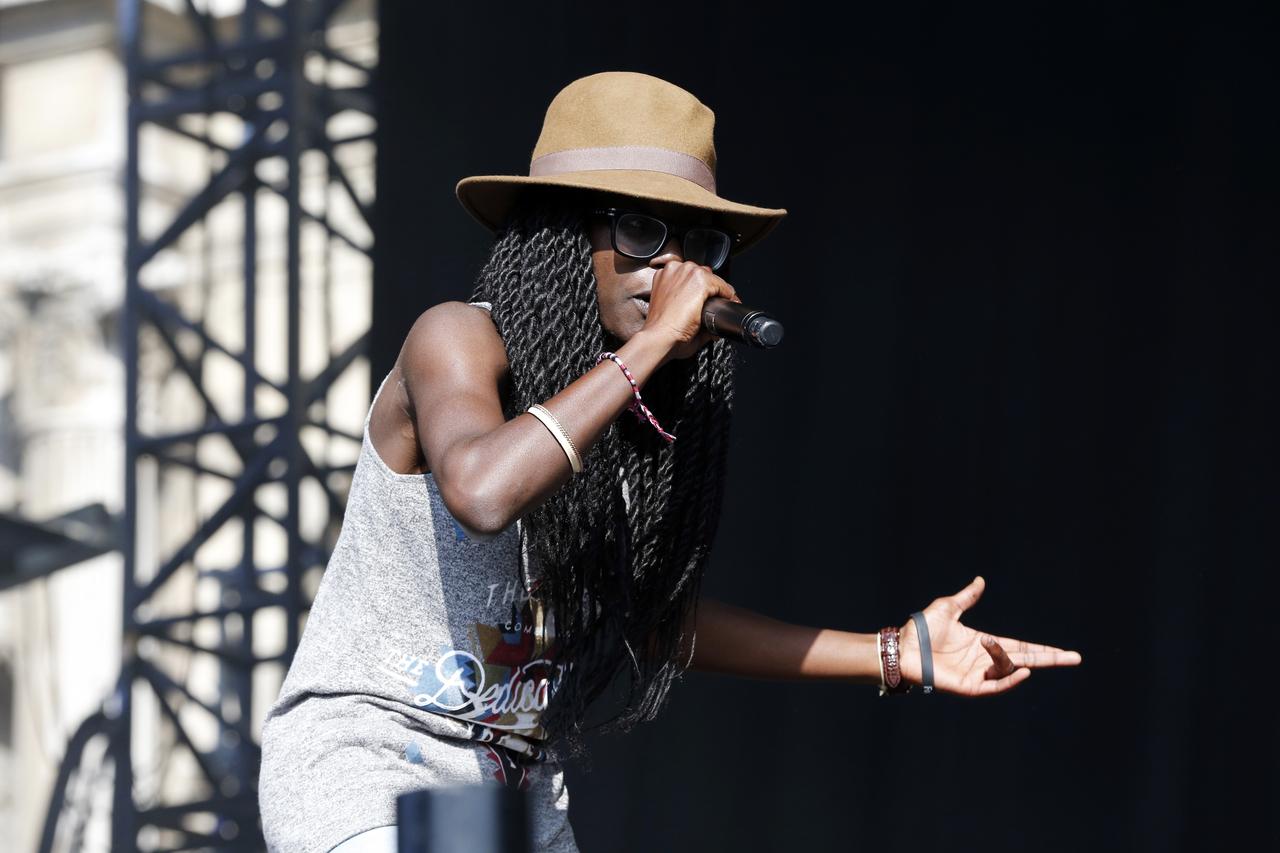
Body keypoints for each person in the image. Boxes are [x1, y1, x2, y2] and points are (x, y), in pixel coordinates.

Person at [257, 71, 1082, 853]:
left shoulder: (634, 421)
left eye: (699, 242)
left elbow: (646, 621)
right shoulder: (459, 339)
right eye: (642, 232)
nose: (674, 268)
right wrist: (651, 345)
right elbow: (480, 489)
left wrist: (893, 651)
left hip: (510, 790)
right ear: (563, 235)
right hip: (370, 757)